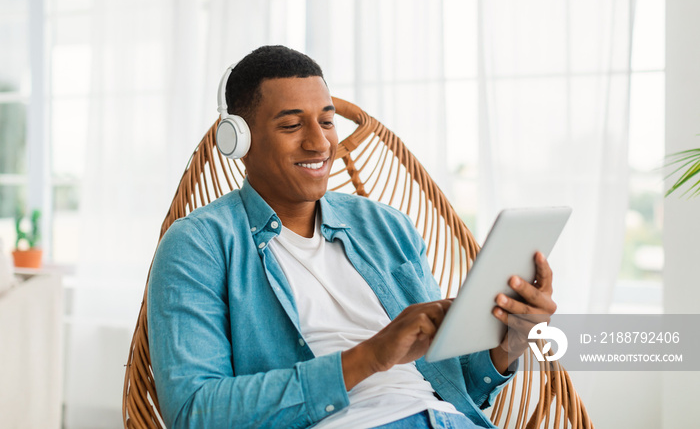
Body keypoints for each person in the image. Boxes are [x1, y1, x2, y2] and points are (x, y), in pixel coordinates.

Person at [148, 45, 557, 429]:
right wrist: (371, 356)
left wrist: (510, 343)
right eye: (292, 124)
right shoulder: (198, 246)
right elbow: (194, 412)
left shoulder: (387, 227)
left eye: (327, 121)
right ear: (238, 140)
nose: (320, 142)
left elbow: (457, 383)